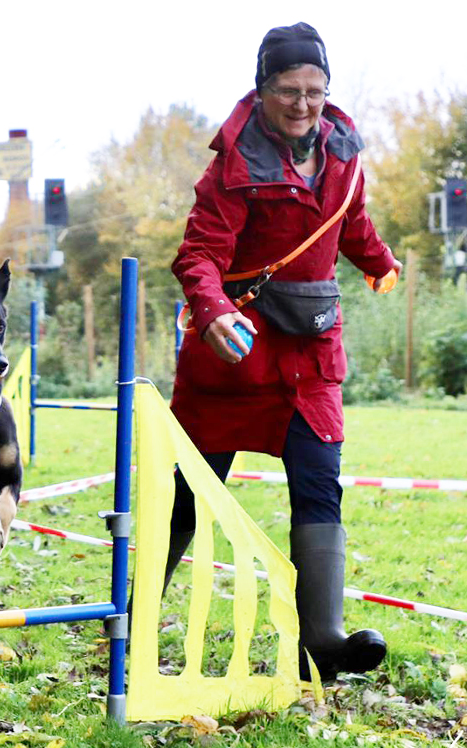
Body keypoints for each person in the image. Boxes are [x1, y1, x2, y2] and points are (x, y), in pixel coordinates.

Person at [167, 22, 400, 682]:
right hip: (235, 354)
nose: (304, 105)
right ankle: (128, 614)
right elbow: (200, 255)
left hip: (312, 352)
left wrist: (378, 261)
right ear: (262, 89)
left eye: (315, 91)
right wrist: (210, 312)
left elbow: (350, 221)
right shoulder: (230, 169)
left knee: (319, 484)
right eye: (289, 91)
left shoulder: (342, 154)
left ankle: (321, 644)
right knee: (191, 496)